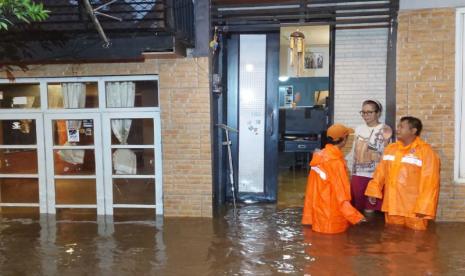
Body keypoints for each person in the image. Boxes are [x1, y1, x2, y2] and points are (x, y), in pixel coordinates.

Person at [365, 116, 440, 230]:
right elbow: (380, 172)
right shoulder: (391, 149)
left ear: (413, 130)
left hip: (414, 210)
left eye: (401, 126)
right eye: (398, 126)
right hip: (392, 207)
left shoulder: (426, 152)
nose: (397, 129)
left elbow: (430, 183)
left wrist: (424, 207)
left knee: (415, 241)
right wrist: (373, 190)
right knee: (391, 240)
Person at [302, 124, 364, 234]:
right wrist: (355, 217)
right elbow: (341, 195)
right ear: (344, 139)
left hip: (319, 216)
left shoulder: (319, 156)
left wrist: (308, 217)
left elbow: (311, 192)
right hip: (333, 219)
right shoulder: (335, 162)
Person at [349, 100, 392, 214]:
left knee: (372, 210)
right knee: (358, 208)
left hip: (375, 174)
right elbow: (355, 151)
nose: (365, 115)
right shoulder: (358, 129)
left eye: (369, 112)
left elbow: (387, 152)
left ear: (377, 113)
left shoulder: (385, 129)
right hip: (358, 173)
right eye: (363, 112)